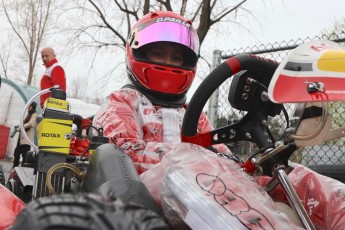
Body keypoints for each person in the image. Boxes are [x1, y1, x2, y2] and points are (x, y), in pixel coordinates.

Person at [93, 11, 345, 229]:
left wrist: (248, 168)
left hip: (206, 186)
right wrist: (193, 158)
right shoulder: (123, 100)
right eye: (159, 54)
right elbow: (122, 152)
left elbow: (222, 155)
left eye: (176, 58)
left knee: (295, 176)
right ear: (137, 52)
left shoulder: (190, 113)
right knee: (201, 166)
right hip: (144, 193)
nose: (168, 64)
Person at [11, 101, 37, 168]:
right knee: (16, 154)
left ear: (31, 107)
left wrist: (20, 128)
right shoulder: (28, 114)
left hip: (26, 140)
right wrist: (18, 126)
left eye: (29, 106)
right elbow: (24, 123)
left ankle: (23, 169)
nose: (28, 107)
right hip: (21, 139)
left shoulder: (34, 114)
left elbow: (30, 123)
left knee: (24, 156)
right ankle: (14, 167)